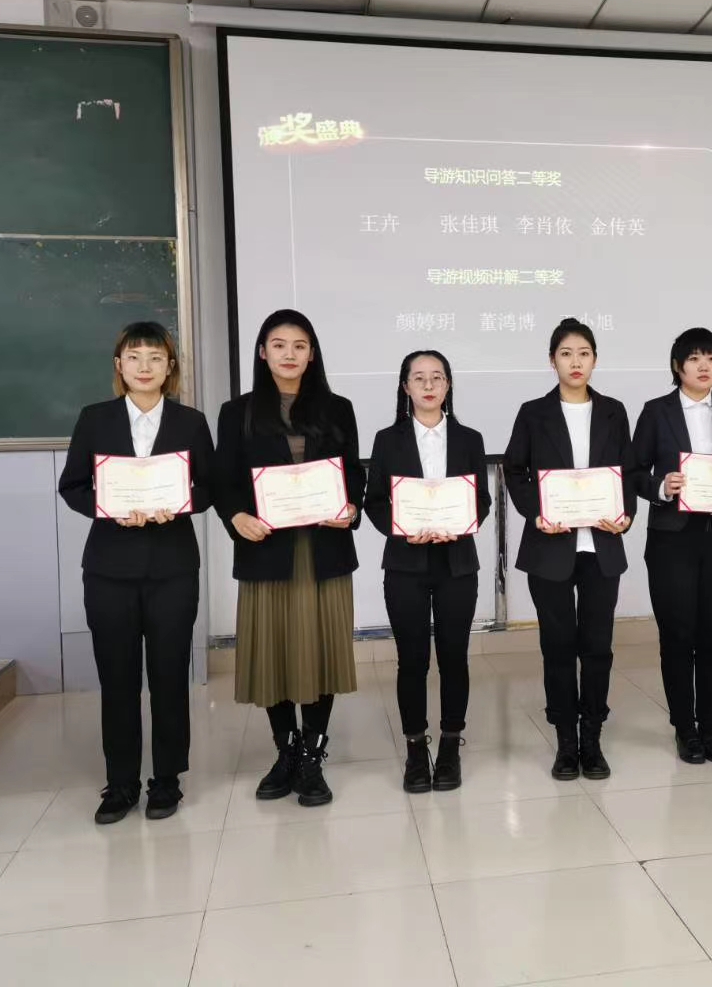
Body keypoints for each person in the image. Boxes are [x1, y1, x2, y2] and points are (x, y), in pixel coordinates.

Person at [58, 321, 215, 824]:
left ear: (170, 367)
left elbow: (209, 486)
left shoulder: (190, 422)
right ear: (119, 366)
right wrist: (110, 509)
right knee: (118, 680)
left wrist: (181, 504)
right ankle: (121, 782)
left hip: (173, 568)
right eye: (134, 357)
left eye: (155, 357)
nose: (144, 367)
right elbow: (73, 486)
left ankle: (166, 779)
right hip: (109, 569)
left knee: (169, 676)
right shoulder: (95, 418)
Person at [215, 309, 365, 806]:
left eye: (300, 346)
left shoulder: (338, 408)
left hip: (323, 551)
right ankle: (286, 751)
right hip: (267, 550)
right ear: (262, 352)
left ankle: (312, 756)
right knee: (273, 653)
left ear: (312, 354)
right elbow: (224, 480)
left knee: (321, 653)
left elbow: (353, 474)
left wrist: (351, 508)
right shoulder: (236, 412)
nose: (289, 354)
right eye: (278, 345)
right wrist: (237, 516)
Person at [504, 318, 636, 781]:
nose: (575, 362)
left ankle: (592, 738)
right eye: (566, 353)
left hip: (601, 544)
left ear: (595, 359)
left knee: (597, 646)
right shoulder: (533, 412)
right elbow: (515, 470)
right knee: (558, 646)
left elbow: (628, 472)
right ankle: (565, 741)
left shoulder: (614, 411)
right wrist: (536, 512)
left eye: (583, 353)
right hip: (550, 546)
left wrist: (625, 514)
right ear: (552, 361)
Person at [632, 327, 712, 764]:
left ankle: (709, 726)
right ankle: (684, 729)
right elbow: (633, 472)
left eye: (711, 358)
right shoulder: (656, 412)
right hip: (673, 538)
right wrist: (661, 486)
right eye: (694, 359)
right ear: (677, 366)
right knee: (677, 635)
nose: (704, 366)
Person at [364, 350, 491, 794]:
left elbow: (482, 500)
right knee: (412, 660)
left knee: (454, 657)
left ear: (449, 384)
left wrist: (461, 524)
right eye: (419, 378)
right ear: (405, 387)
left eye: (437, 377)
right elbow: (374, 502)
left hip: (458, 564)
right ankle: (416, 748)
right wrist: (402, 529)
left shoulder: (470, 439)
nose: (429, 385)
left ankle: (451, 745)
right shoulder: (387, 439)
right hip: (406, 564)